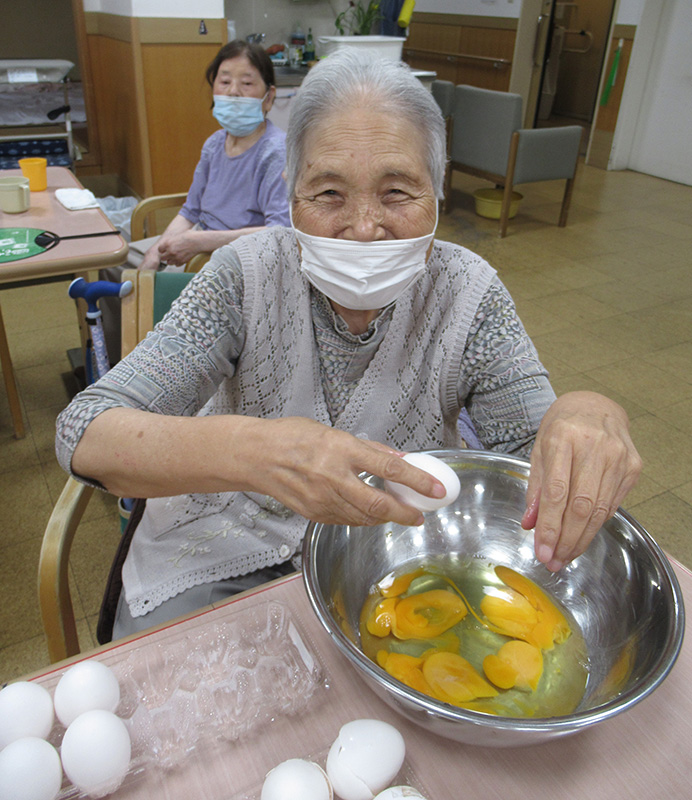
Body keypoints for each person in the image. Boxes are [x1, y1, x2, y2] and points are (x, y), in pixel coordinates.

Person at [56, 50, 642, 640]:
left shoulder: (467, 290)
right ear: (292, 196)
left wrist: (585, 411)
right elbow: (85, 430)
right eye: (329, 193)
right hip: (223, 541)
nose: (364, 227)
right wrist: (258, 454)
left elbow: (534, 462)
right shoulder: (243, 275)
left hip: (394, 558)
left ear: (437, 191)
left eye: (397, 192)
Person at [100, 40, 290, 359]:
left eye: (246, 84)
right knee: (115, 262)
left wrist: (197, 243)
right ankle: (121, 359)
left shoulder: (275, 151)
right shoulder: (215, 144)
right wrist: (157, 252)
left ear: (268, 97)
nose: (233, 92)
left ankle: (161, 362)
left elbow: (277, 232)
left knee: (155, 286)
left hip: (237, 258)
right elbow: (190, 211)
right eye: (225, 81)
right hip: (199, 241)